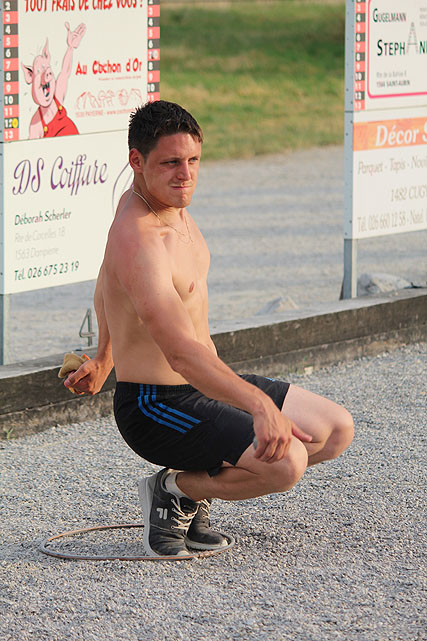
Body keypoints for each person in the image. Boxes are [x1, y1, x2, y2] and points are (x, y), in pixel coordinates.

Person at [64, 100, 354, 558]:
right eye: (170, 163)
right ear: (136, 161)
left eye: (193, 160)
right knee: (286, 464)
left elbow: (105, 282)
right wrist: (259, 405)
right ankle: (173, 490)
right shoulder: (138, 237)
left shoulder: (166, 204)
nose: (186, 175)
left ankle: (191, 490)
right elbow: (180, 353)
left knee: (334, 430)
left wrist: (103, 355)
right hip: (156, 404)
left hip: (203, 384)